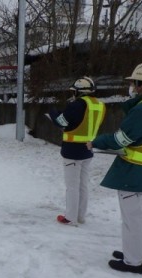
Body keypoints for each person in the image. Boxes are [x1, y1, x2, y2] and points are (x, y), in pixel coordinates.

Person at [87, 62, 142, 274]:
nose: (132, 86)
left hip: (132, 171)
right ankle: (135, 253)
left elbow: (122, 138)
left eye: (134, 83)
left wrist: (97, 142)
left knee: (133, 218)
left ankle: (134, 261)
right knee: (141, 216)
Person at [45, 76, 106, 226]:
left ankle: (71, 218)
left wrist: (53, 112)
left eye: (74, 91)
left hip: (72, 151)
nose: (73, 94)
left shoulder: (76, 105)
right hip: (87, 150)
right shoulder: (99, 106)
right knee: (83, 185)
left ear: (79, 91)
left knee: (72, 186)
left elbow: (62, 122)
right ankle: (81, 216)